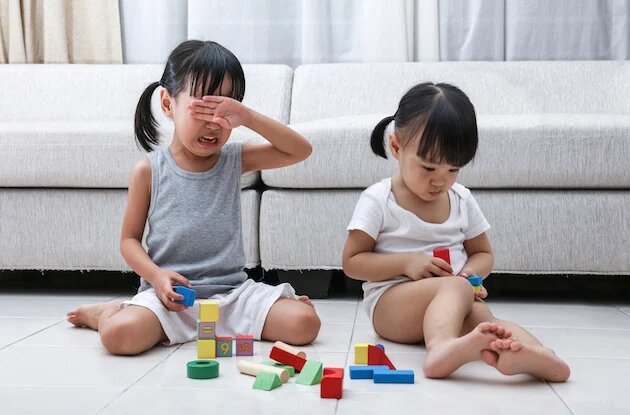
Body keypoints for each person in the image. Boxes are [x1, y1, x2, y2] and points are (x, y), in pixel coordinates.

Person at [67, 40, 320, 355]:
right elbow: (128, 241)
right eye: (202, 108)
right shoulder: (149, 170)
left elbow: (301, 150)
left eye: (224, 111)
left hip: (232, 297)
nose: (214, 122)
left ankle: (251, 314)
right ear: (167, 103)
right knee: (119, 335)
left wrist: (248, 117)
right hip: (171, 300)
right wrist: (156, 276)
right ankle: (107, 311)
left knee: (304, 323)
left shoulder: (234, 159)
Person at [342, 82, 569, 381]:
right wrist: (406, 263)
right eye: (428, 168)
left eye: (453, 170)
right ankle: (440, 349)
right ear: (396, 147)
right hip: (391, 306)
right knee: (458, 291)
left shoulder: (461, 199)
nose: (441, 181)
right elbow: (352, 262)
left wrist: (469, 276)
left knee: (484, 319)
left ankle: (537, 355)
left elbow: (483, 253)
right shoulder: (379, 200)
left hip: (450, 303)